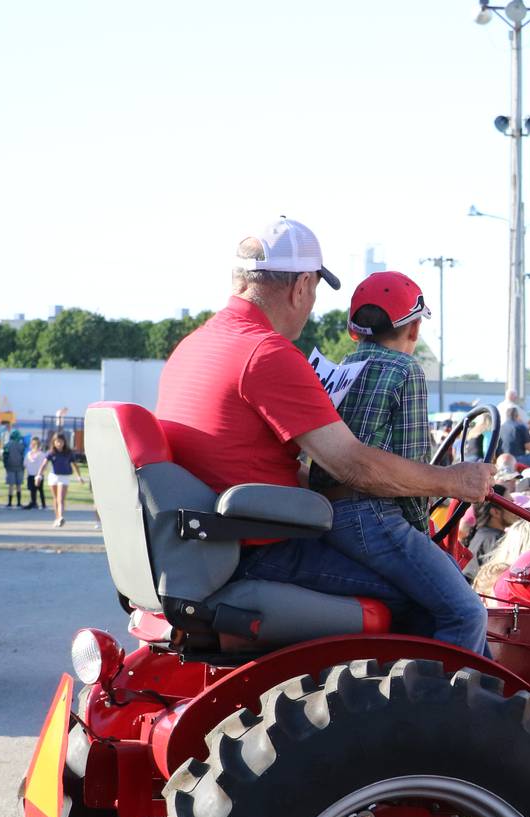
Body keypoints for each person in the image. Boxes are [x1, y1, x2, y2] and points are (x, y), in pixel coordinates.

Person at [154, 218, 493, 618]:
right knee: (455, 607)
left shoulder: (194, 347)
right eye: (314, 289)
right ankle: (459, 681)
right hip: (257, 550)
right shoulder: (265, 354)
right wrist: (455, 481)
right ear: (301, 287)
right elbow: (354, 465)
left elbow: (253, 466)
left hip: (210, 543)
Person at [299, 271, 492, 654]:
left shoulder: (339, 371)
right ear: (415, 328)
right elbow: (410, 473)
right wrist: (426, 536)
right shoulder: (406, 372)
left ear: (355, 331)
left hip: (327, 514)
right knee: (466, 613)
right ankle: (456, 707)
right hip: (374, 516)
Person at [44, 431, 82, 527]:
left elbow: (75, 465)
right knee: (55, 498)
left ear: (64, 442)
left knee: (61, 498)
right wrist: (39, 475)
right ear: (54, 442)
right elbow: (44, 464)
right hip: (53, 476)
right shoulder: (51, 453)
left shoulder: (68, 453)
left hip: (64, 477)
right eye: (57, 442)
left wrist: (79, 476)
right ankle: (56, 518)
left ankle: (61, 517)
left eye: (61, 442)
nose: (59, 444)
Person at [2, 429, 26, 507]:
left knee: (11, 485)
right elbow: (23, 456)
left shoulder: (7, 445)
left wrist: (5, 466)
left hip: (10, 467)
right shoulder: (21, 446)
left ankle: (9, 502)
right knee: (18, 485)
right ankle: (19, 502)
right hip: (20, 467)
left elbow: (5, 456)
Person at [24, 436, 47, 509]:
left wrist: (40, 474)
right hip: (30, 474)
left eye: (36, 444)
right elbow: (25, 463)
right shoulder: (28, 454)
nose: (34, 446)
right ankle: (33, 502)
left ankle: (43, 504)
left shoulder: (42, 454)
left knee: (40, 490)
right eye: (33, 444)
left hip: (39, 475)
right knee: (32, 490)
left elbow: (44, 465)